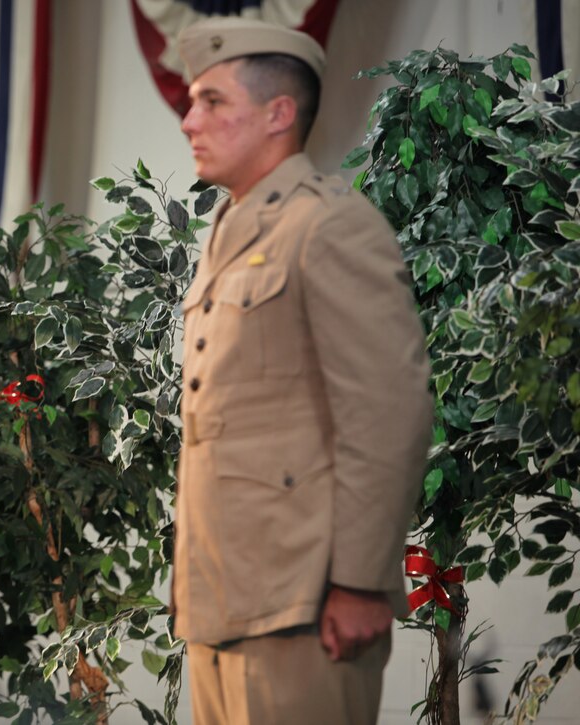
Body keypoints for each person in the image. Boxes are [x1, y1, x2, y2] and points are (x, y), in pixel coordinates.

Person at [171, 17, 433, 724]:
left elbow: (387, 410)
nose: (190, 120)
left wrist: (357, 581)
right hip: (225, 602)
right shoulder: (233, 231)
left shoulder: (328, 226)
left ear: (278, 114)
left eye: (213, 101)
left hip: (305, 604)